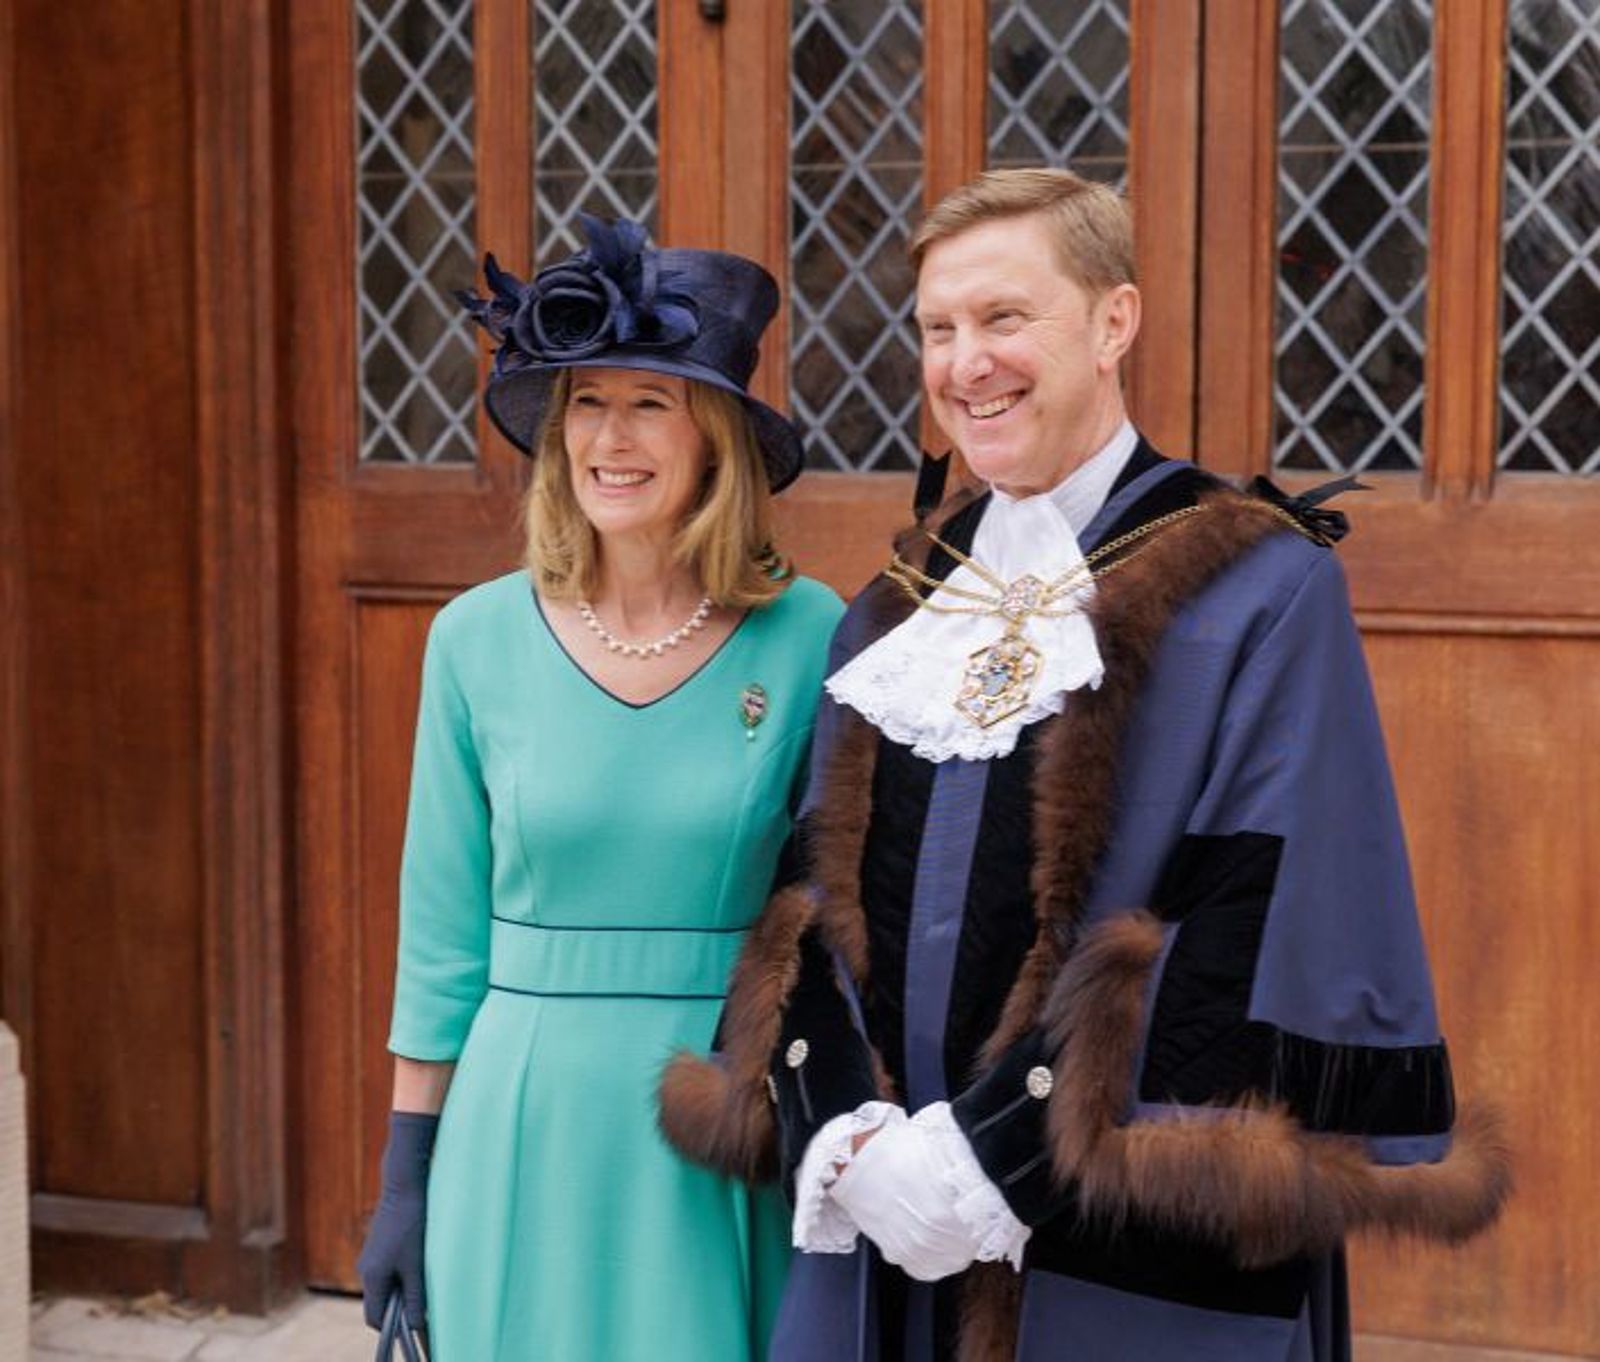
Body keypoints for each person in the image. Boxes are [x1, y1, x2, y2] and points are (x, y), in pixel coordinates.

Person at [659, 169, 1509, 1360]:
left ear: (1114, 323)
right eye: (938, 331)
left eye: (1005, 319)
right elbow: (809, 895)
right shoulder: (896, 608)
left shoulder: (1259, 591)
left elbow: (1258, 923)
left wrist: (994, 1158)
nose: (966, 365)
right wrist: (851, 1131)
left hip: (1117, 1248)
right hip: (883, 1230)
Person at [356, 215, 843, 1362]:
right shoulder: (472, 639)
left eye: (650, 404)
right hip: (520, 1120)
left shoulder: (811, 633)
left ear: (713, 437)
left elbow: (839, 914)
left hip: (719, 1116)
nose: (609, 439)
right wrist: (404, 1173)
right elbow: (439, 934)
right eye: (587, 401)